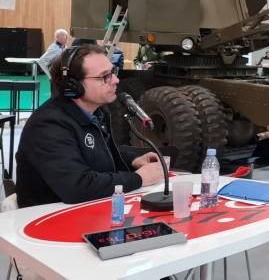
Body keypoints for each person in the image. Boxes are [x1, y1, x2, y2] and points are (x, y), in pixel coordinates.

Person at [15, 44, 164, 208]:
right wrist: (139, 179)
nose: (116, 80)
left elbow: (94, 155)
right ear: (73, 85)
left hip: (89, 212)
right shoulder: (47, 126)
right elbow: (78, 186)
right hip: (47, 222)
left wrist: (133, 160)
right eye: (104, 76)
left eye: (112, 72)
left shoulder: (97, 113)